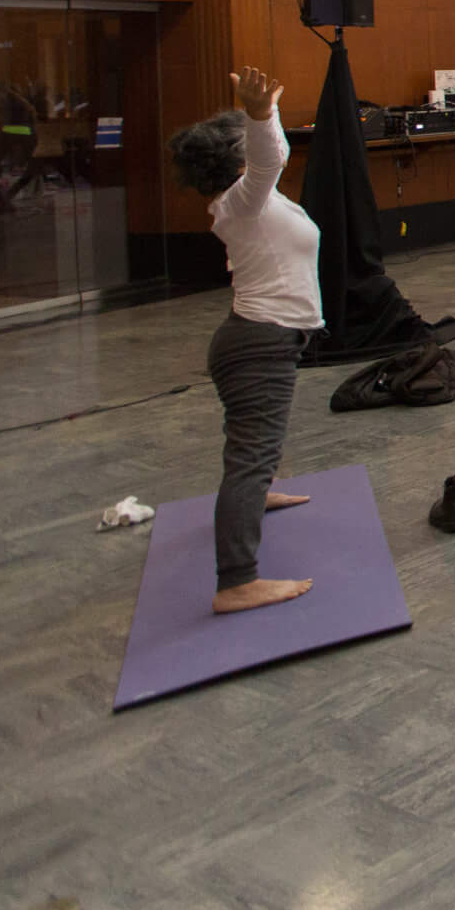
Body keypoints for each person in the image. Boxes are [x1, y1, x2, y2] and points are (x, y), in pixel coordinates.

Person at [168, 66, 322, 614]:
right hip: (259, 343)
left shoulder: (251, 201)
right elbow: (270, 157)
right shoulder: (243, 201)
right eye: (251, 140)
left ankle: (256, 496)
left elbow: (271, 152)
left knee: (252, 448)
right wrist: (260, 115)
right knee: (250, 457)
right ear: (237, 162)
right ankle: (237, 581)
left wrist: (267, 114)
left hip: (258, 338)